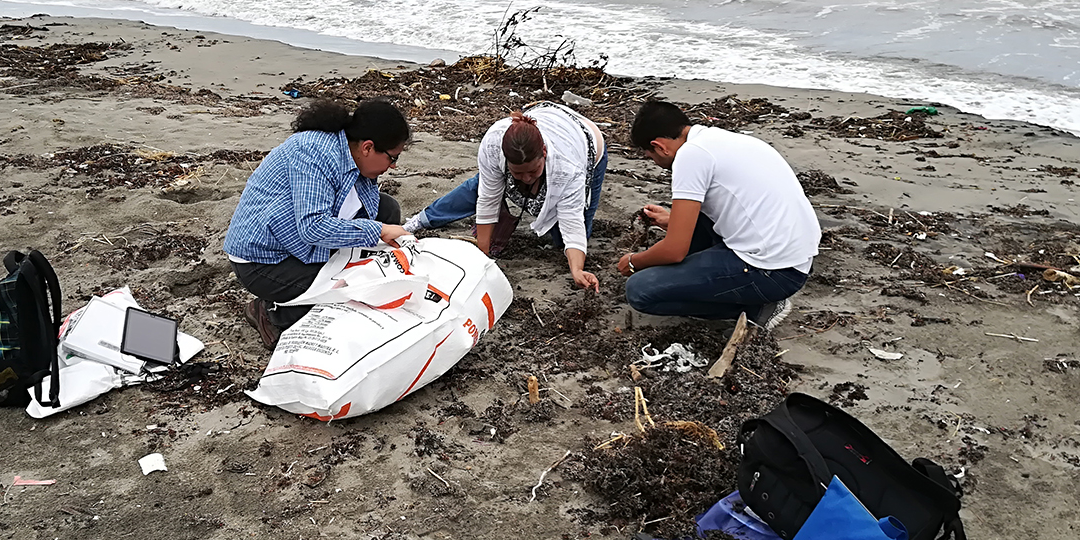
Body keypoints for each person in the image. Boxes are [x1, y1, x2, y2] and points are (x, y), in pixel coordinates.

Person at [618, 99, 821, 330]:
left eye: (649, 155)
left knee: (640, 290)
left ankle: (756, 307)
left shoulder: (690, 156)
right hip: (798, 260)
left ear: (659, 146)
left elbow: (674, 251)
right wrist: (672, 220)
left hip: (772, 271)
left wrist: (634, 262)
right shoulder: (724, 139)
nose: (654, 162)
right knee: (693, 227)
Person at [224, 97, 411, 348]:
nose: (394, 166)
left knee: (387, 209)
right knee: (350, 299)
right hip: (264, 260)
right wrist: (379, 231)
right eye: (392, 158)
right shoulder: (314, 153)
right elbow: (312, 228)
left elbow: (369, 211)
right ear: (367, 147)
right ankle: (270, 313)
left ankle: (343, 275)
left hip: (296, 239)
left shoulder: (354, 157)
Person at [402, 102, 608, 292]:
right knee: (480, 186)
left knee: (564, 240)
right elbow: (488, 200)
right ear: (505, 159)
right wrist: (482, 255)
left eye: (532, 172)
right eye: (518, 173)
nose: (526, 179)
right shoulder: (493, 145)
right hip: (542, 126)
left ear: (544, 152)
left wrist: (577, 271)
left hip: (586, 141)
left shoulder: (569, 168)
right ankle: (422, 219)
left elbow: (572, 222)